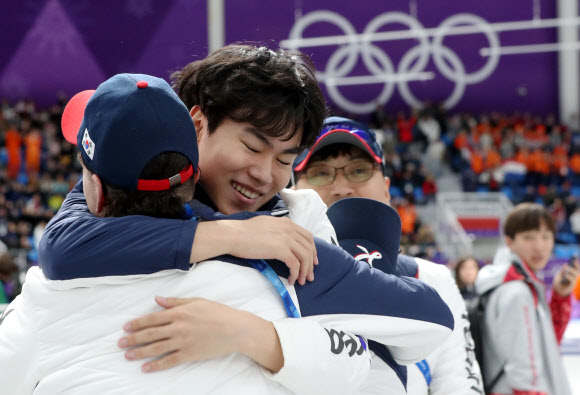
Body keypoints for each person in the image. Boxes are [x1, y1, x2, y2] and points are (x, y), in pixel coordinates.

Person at [0, 73, 453, 394]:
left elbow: (370, 369)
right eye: (252, 146)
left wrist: (256, 337)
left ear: (94, 185)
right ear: (196, 127)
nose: (262, 173)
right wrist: (231, 236)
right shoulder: (273, 261)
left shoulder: (295, 232)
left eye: (284, 160)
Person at [292, 116, 483, 394]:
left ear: (386, 187)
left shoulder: (431, 279)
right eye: (320, 172)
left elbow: (460, 385)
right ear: (293, 191)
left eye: (358, 170)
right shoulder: (272, 276)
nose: (342, 186)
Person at [476, 203, 579, 394]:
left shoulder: (515, 283)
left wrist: (560, 297)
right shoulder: (516, 292)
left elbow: (546, 344)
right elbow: (523, 377)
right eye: (528, 237)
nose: (539, 246)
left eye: (546, 237)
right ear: (509, 241)